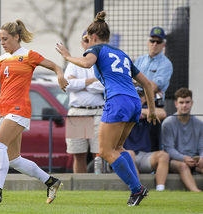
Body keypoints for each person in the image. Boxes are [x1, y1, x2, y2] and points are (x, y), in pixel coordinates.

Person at [0, 19, 68, 204]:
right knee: (14, 159)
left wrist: (60, 76)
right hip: (6, 111)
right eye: (0, 39)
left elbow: (55, 66)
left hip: (20, 108)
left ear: (16, 37)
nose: (2, 42)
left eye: (5, 39)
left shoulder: (28, 55)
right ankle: (50, 182)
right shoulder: (1, 59)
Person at [56, 11, 159, 206]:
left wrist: (68, 56)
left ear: (93, 37)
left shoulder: (97, 48)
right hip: (134, 102)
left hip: (117, 100)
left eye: (87, 39)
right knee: (118, 148)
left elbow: (86, 63)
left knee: (104, 151)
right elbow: (146, 84)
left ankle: (137, 189)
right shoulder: (122, 54)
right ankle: (137, 188)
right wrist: (151, 110)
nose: (87, 43)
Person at [64, 30, 105, 173]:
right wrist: (91, 82)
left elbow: (103, 86)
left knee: (99, 154)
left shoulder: (101, 62)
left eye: (90, 41)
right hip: (77, 111)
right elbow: (67, 85)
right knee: (78, 154)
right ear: (82, 43)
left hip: (98, 111)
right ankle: (79, 190)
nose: (88, 44)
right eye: (85, 41)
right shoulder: (73, 62)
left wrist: (80, 83)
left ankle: (99, 187)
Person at [134, 27, 173, 151]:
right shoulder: (140, 60)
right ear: (148, 42)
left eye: (158, 42)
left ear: (163, 44)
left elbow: (155, 86)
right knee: (133, 141)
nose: (155, 44)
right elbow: (148, 85)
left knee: (152, 143)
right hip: (137, 103)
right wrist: (148, 85)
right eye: (152, 40)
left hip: (154, 105)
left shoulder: (166, 64)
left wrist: (137, 82)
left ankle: (153, 169)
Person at [124, 85, 169, 191]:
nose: (138, 98)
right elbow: (124, 113)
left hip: (145, 156)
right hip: (127, 156)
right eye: (135, 96)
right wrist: (141, 114)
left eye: (141, 96)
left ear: (144, 98)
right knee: (129, 154)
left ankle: (160, 190)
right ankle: (137, 190)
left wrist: (141, 113)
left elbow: (162, 113)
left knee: (164, 156)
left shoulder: (147, 109)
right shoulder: (124, 108)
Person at [162, 87, 203, 192]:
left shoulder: (199, 124)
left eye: (187, 102)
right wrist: (184, 158)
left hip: (194, 160)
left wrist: (202, 157)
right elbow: (168, 149)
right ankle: (196, 192)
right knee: (183, 166)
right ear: (176, 104)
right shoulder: (168, 123)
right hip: (175, 161)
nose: (184, 105)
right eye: (181, 102)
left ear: (192, 103)